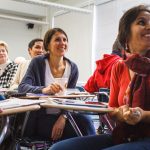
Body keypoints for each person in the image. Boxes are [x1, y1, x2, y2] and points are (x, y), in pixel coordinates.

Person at [50, 5, 150, 150]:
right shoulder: (119, 67)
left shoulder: (72, 66)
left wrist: (142, 115)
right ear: (126, 36)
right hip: (124, 135)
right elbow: (112, 109)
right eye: (142, 22)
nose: (149, 26)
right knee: (58, 148)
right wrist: (121, 114)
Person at [18, 28, 96, 143]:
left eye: (65, 40)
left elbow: (71, 99)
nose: (63, 43)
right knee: (75, 132)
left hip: (64, 114)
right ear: (48, 45)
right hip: (41, 117)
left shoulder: (72, 67)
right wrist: (44, 90)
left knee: (87, 121)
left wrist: (63, 117)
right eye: (57, 40)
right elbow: (22, 87)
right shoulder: (38, 62)